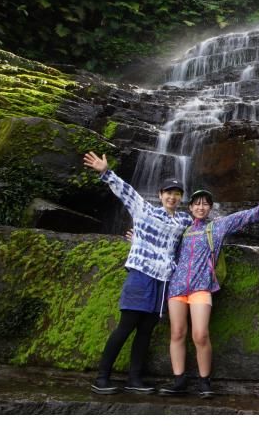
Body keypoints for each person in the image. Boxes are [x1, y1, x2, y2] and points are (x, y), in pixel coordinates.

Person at [83, 151, 193, 395]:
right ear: (161, 195)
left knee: (146, 331)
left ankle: (134, 378)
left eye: (177, 194)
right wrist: (105, 171)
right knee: (127, 325)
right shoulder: (145, 211)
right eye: (168, 193)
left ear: (181, 197)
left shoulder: (183, 221)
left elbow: (202, 226)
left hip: (163, 281)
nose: (172, 197)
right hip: (141, 274)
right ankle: (102, 377)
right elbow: (126, 192)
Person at [159, 189, 259, 398]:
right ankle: (179, 379)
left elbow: (237, 219)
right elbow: (163, 243)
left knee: (200, 334)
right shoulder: (182, 229)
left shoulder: (215, 228)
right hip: (177, 287)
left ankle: (204, 381)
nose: (200, 207)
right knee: (177, 332)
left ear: (210, 208)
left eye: (205, 204)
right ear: (190, 207)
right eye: (197, 203)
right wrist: (137, 240)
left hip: (201, 288)